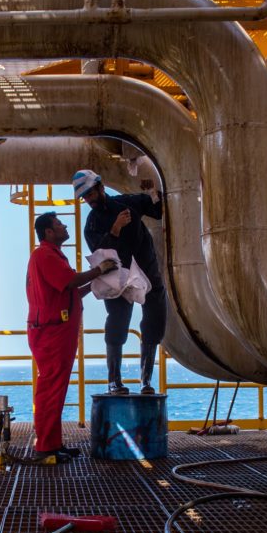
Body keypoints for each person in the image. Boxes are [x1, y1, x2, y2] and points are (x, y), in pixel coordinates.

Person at [26, 211, 118, 463]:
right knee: (50, 389)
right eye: (59, 224)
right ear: (48, 232)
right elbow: (69, 282)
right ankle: (45, 447)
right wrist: (98, 270)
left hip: (56, 331)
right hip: (51, 331)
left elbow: (70, 291)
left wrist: (98, 282)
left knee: (55, 389)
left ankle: (53, 444)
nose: (65, 226)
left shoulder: (52, 255)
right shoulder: (44, 255)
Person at [74, 169, 166, 395]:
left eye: (90, 194)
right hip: (116, 278)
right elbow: (98, 253)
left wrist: (153, 190)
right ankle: (114, 381)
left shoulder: (127, 203)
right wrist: (115, 229)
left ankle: (146, 381)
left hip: (146, 269)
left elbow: (157, 209)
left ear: (101, 187)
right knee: (117, 322)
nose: (89, 200)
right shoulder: (92, 223)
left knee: (154, 318)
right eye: (85, 197)